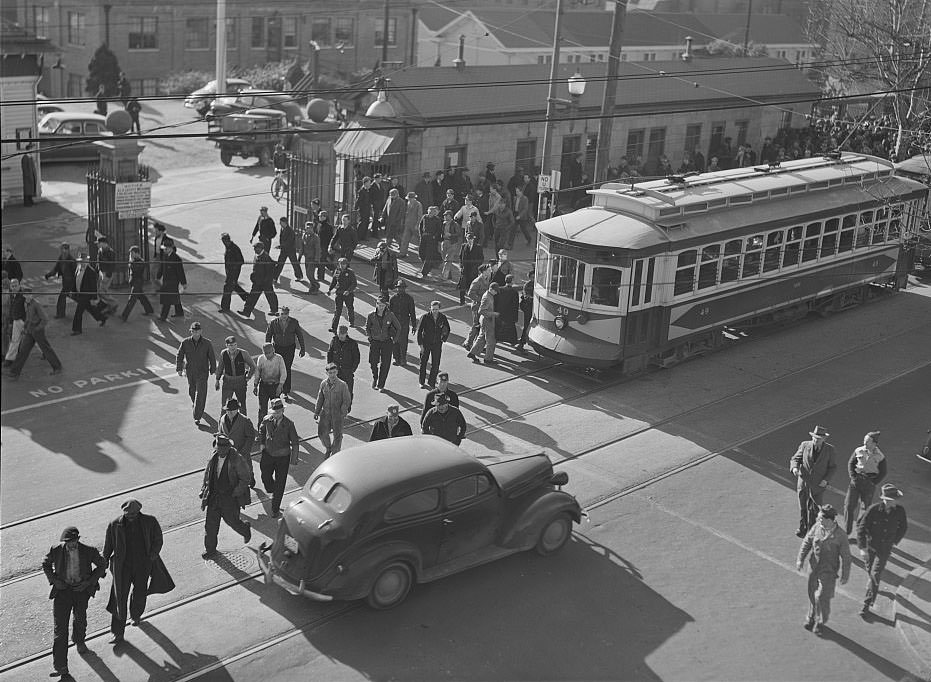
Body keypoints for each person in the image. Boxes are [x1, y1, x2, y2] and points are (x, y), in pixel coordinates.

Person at [102, 499, 174, 643]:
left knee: (140, 592)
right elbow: (108, 546)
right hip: (123, 567)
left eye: (134, 513)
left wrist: (152, 556)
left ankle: (136, 615)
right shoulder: (114, 524)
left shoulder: (150, 521)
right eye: (128, 514)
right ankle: (117, 633)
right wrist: (103, 564)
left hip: (143, 565)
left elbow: (158, 539)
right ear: (124, 513)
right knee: (119, 598)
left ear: (139, 511)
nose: (131, 516)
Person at [42, 526, 107, 678]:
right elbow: (45, 564)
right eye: (66, 542)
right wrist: (54, 581)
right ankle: (61, 667)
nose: (69, 545)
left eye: (72, 541)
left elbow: (102, 565)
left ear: (78, 539)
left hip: (81, 592)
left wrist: (89, 582)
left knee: (80, 619)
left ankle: (79, 640)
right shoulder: (56, 549)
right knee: (60, 630)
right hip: (62, 592)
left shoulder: (89, 550)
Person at [796, 504, 850, 636]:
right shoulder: (817, 527)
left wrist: (845, 574)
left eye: (821, 518)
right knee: (811, 593)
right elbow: (807, 542)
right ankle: (811, 616)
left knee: (821, 597)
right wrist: (800, 559)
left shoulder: (841, 535)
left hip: (829, 570)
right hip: (814, 567)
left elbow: (846, 557)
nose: (818, 520)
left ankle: (821, 621)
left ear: (829, 520)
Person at [856, 483, 908, 617]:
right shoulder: (873, 510)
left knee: (875, 574)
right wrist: (862, 548)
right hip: (871, 546)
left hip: (884, 550)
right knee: (870, 572)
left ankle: (866, 604)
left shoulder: (899, 511)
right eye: (893, 500)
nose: (895, 502)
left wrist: (894, 541)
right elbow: (861, 528)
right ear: (886, 499)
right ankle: (872, 588)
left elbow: (903, 527)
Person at [200, 434, 252, 557]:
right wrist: (204, 488)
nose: (220, 452)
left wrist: (236, 492)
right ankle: (210, 550)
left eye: (222, 450)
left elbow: (246, 478)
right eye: (218, 449)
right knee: (210, 526)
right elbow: (208, 473)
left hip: (229, 498)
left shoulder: (236, 459)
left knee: (232, 522)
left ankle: (245, 529)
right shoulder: (214, 456)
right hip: (214, 497)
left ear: (228, 448)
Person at [790, 426, 837, 538]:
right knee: (803, 507)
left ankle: (811, 531)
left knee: (814, 510)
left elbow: (832, 468)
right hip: (804, 483)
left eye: (818, 439)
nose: (816, 440)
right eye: (814, 438)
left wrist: (826, 480)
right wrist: (795, 468)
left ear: (824, 439)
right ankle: (802, 528)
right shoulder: (805, 445)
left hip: (818, 485)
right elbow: (795, 459)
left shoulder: (830, 450)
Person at [4, 288, 62, 379]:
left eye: (29, 294)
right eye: (26, 295)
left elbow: (45, 319)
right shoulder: (26, 304)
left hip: (37, 330)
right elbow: (28, 317)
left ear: (32, 295)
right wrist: (26, 327)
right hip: (30, 330)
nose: (28, 296)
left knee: (46, 349)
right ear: (24, 296)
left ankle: (57, 367)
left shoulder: (36, 304)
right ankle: (14, 372)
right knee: (23, 351)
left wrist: (37, 328)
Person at [257, 398, 300, 518]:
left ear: (282, 411)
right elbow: (261, 430)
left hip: (283, 457)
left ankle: (275, 509)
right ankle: (271, 489)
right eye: (273, 413)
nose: (275, 415)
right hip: (268, 454)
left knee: (280, 484)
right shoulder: (267, 420)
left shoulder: (289, 424)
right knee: (265, 476)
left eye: (277, 413)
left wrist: (293, 461)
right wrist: (261, 443)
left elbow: (295, 443)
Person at [844, 431, 887, 536]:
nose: (864, 443)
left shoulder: (880, 456)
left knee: (865, 508)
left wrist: (873, 483)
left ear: (874, 444)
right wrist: (853, 477)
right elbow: (851, 463)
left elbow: (883, 472)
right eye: (864, 440)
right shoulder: (858, 450)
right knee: (849, 506)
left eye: (867, 441)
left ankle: (860, 532)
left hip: (869, 483)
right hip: (856, 481)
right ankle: (847, 531)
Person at [176, 321, 217, 426]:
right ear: (191, 331)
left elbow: (212, 356)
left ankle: (197, 416)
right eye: (193, 331)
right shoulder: (185, 342)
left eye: (197, 331)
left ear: (201, 331)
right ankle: (196, 406)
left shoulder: (207, 343)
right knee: (192, 391)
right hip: (190, 371)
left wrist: (213, 369)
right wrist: (179, 368)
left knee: (201, 394)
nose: (195, 333)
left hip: (202, 372)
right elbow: (179, 355)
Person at [265, 306, 306, 401]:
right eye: (282, 314)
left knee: (287, 368)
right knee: (278, 369)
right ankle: (277, 389)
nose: (284, 316)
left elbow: (299, 335)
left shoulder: (294, 322)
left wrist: (302, 348)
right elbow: (268, 335)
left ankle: (286, 391)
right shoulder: (273, 323)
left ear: (288, 314)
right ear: (279, 314)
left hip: (289, 348)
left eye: (286, 314)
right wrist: (268, 349)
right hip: (277, 348)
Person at [314, 363, 352, 456]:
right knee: (322, 434)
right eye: (330, 373)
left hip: (337, 414)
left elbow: (347, 400)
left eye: (334, 372)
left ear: (337, 372)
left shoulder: (342, 385)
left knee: (337, 436)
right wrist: (317, 411)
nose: (332, 375)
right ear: (327, 373)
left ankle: (335, 453)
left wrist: (342, 412)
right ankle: (328, 448)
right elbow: (320, 398)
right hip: (325, 413)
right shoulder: (323, 384)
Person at [217, 398, 256, 485]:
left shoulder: (245, 421)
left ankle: (251, 478)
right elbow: (220, 433)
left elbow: (250, 436)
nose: (230, 413)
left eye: (232, 410)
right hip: (228, 451)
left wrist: (245, 450)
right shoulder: (222, 419)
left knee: (246, 468)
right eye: (228, 410)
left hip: (241, 451)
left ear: (237, 410)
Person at [365, 296, 400, 391]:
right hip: (375, 342)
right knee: (372, 362)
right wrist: (370, 337)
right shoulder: (371, 315)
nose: (380, 307)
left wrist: (394, 340)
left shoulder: (390, 315)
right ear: (376, 304)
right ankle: (375, 377)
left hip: (386, 342)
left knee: (385, 364)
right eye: (379, 305)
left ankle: (381, 385)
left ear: (386, 305)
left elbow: (399, 328)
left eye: (383, 305)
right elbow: (367, 327)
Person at [215, 336, 255, 414]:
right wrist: (217, 380)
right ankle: (222, 425)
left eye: (234, 344)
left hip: (240, 382)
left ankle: (244, 424)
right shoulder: (223, 353)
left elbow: (252, 366)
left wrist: (248, 378)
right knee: (225, 405)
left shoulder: (243, 353)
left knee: (242, 405)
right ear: (226, 345)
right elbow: (220, 367)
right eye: (230, 345)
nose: (233, 347)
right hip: (227, 382)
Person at [238, 242, 278, 318]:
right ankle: (246, 312)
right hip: (258, 281)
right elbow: (256, 268)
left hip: (265, 282)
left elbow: (269, 272)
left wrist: (266, 282)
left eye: (256, 248)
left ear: (260, 248)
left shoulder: (265, 257)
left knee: (270, 295)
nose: (254, 250)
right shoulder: (257, 256)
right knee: (252, 297)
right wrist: (253, 276)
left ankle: (274, 310)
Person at [416, 300, 450, 389]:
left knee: (435, 364)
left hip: (437, 344)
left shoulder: (442, 317)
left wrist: (443, 339)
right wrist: (420, 345)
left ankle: (431, 382)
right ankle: (421, 381)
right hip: (426, 343)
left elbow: (447, 328)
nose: (434, 311)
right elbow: (419, 331)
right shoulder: (425, 317)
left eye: (436, 309)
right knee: (423, 363)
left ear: (439, 309)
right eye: (433, 309)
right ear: (430, 308)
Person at [71, 255, 107, 335]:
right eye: (81, 260)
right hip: (80, 294)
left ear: (87, 261)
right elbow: (76, 280)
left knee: (78, 312)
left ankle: (77, 330)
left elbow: (93, 286)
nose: (82, 262)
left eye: (84, 260)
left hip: (86, 295)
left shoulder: (91, 272)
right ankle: (102, 318)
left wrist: (94, 298)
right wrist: (73, 291)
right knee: (91, 309)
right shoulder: (78, 268)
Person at [253, 342, 287, 425]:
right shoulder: (261, 359)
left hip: (275, 386)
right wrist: (255, 385)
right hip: (264, 386)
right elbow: (257, 372)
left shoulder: (279, 358)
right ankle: (261, 429)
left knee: (276, 409)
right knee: (262, 410)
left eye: (269, 353)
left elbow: (283, 373)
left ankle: (277, 427)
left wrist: (280, 385)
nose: (267, 355)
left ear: (273, 351)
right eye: (265, 353)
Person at [468, 281, 500, 365]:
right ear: (491, 289)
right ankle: (488, 359)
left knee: (481, 338)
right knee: (491, 341)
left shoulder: (488, 295)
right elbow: (481, 311)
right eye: (495, 291)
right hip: (487, 320)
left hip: (485, 320)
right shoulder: (487, 297)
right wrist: (494, 314)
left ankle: (472, 353)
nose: (496, 293)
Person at [120, 245, 154, 321]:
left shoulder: (140, 262)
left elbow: (135, 270)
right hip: (135, 282)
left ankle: (124, 316)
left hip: (137, 283)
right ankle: (149, 310)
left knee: (131, 300)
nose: (131, 255)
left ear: (137, 253)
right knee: (142, 297)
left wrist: (131, 262)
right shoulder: (134, 261)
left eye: (132, 253)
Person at [327, 325, 360, 400]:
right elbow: (330, 353)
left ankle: (347, 408)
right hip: (335, 371)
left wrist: (352, 370)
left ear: (346, 333)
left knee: (348, 391)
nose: (341, 336)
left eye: (343, 334)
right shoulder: (334, 340)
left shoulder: (352, 343)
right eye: (339, 334)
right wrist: (330, 367)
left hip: (347, 372)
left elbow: (356, 358)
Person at [389, 279, 417, 367]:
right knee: (395, 342)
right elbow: (390, 312)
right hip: (394, 324)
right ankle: (396, 358)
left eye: (402, 288)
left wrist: (414, 325)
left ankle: (403, 359)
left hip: (404, 323)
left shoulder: (409, 299)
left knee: (403, 342)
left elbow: (412, 312)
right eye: (399, 288)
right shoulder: (393, 298)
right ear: (396, 288)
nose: (401, 289)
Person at [45, 243, 77, 319]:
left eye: (66, 249)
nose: (64, 251)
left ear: (69, 250)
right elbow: (56, 268)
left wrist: (75, 284)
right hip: (65, 281)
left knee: (62, 298)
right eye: (63, 249)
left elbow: (75, 273)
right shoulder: (61, 258)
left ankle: (60, 314)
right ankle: (85, 304)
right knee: (71, 296)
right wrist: (49, 275)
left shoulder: (72, 260)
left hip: (70, 282)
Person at [464, 265, 493, 349]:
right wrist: (481, 300)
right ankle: (468, 343)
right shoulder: (477, 281)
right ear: (483, 271)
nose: (490, 271)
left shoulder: (487, 278)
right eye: (488, 270)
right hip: (477, 306)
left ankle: (477, 344)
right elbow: (470, 293)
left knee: (481, 325)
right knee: (476, 325)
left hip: (483, 306)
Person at [156, 239, 186, 321]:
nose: (164, 250)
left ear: (170, 248)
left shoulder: (176, 259)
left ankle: (163, 316)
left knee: (167, 299)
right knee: (175, 296)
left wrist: (184, 283)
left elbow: (180, 272)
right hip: (166, 280)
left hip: (173, 282)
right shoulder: (165, 256)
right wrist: (158, 276)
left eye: (166, 249)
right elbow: (162, 267)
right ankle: (179, 312)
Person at [219, 233, 247, 312]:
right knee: (233, 286)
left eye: (223, 241)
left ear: (226, 240)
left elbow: (241, 261)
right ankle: (246, 297)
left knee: (227, 289)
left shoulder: (234, 248)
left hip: (233, 273)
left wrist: (233, 270)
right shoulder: (228, 247)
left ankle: (225, 308)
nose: (223, 242)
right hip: (230, 273)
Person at [328, 257, 357, 332]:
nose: (342, 265)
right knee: (338, 311)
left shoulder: (350, 272)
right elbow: (334, 281)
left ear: (346, 264)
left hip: (348, 294)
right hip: (339, 293)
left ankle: (352, 322)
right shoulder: (337, 271)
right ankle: (334, 327)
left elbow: (354, 283)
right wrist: (330, 289)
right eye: (341, 264)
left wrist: (348, 291)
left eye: (344, 264)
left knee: (350, 308)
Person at [3, 279, 26, 365]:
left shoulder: (23, 295)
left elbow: (27, 308)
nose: (14, 288)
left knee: (36, 338)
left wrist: (26, 321)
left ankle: (45, 351)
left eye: (16, 285)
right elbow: (11, 309)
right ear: (10, 287)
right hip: (17, 321)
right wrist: (10, 321)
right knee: (15, 340)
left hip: (24, 320)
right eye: (12, 286)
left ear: (19, 285)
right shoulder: (12, 295)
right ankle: (10, 359)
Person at [457, 232, 484, 306]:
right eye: (468, 239)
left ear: (473, 239)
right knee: (462, 286)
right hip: (465, 270)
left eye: (471, 239)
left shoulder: (478, 247)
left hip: (473, 271)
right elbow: (460, 256)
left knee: (472, 287)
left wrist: (477, 267)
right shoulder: (464, 246)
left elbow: (481, 259)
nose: (470, 240)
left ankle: (474, 301)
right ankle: (462, 301)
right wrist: (461, 265)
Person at [95, 235, 118, 317]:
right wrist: (98, 272)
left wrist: (107, 276)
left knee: (101, 291)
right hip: (101, 273)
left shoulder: (110, 252)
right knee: (103, 291)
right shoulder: (100, 251)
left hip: (107, 274)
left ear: (104, 243)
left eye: (99, 243)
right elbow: (98, 262)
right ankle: (109, 305)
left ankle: (113, 303)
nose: (97, 245)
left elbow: (112, 266)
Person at [274, 216, 303, 282]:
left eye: (281, 222)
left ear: (285, 222)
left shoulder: (290, 230)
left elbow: (289, 241)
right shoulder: (282, 229)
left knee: (294, 263)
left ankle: (299, 276)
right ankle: (275, 277)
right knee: (280, 263)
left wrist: (280, 246)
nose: (280, 224)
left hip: (290, 250)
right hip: (284, 250)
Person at [495, 274, 520, 345]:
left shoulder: (500, 289)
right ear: (512, 281)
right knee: (511, 329)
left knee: (499, 328)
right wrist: (515, 317)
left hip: (500, 313)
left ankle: (497, 339)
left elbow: (496, 301)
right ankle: (513, 341)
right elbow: (515, 306)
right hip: (510, 314)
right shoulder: (514, 292)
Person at [298, 221, 321, 294]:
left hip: (313, 259)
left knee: (309, 274)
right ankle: (313, 288)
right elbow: (302, 247)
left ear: (313, 228)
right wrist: (299, 257)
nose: (309, 229)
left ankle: (316, 285)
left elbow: (318, 250)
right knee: (308, 275)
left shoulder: (316, 237)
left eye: (310, 228)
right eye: (307, 228)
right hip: (307, 258)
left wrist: (317, 260)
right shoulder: (304, 235)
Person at [399, 191, 423, 258]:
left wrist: (418, 224)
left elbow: (420, 215)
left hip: (415, 225)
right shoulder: (408, 203)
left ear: (413, 198)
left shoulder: (418, 204)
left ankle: (422, 253)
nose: (409, 199)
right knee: (405, 238)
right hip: (408, 224)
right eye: (408, 198)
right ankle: (402, 253)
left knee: (419, 240)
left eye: (410, 198)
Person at [516, 267, 535, 352]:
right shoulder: (527, 285)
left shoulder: (537, 284)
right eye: (532, 277)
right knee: (527, 324)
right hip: (528, 307)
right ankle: (521, 343)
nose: (533, 279)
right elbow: (526, 295)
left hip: (533, 307)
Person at [440, 210, 462, 281]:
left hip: (452, 243)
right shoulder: (444, 223)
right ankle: (449, 275)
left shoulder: (455, 224)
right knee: (444, 259)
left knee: (448, 260)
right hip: (444, 242)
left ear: (450, 216)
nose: (445, 217)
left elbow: (459, 234)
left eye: (446, 215)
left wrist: (451, 235)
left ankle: (444, 277)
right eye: (444, 215)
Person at [354, 176, 374, 241]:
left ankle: (364, 236)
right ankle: (358, 237)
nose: (370, 184)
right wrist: (356, 207)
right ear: (365, 183)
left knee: (366, 222)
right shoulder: (362, 191)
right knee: (362, 223)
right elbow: (359, 200)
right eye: (369, 182)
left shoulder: (367, 190)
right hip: (363, 209)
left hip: (367, 208)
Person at [315, 210, 334, 282]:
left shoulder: (328, 226)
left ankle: (320, 277)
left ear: (324, 217)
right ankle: (334, 269)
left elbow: (329, 237)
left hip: (324, 246)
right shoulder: (320, 225)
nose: (319, 217)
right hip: (320, 245)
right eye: (319, 216)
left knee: (321, 261)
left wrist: (327, 246)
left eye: (320, 216)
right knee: (324, 260)